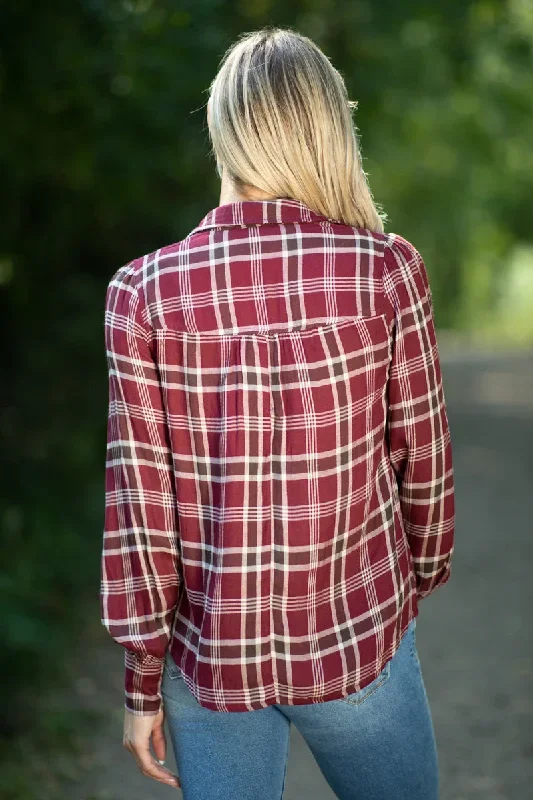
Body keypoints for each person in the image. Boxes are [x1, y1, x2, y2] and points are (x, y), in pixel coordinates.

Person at [100, 25, 455, 800]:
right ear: (327, 126)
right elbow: (423, 462)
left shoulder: (142, 294)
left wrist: (139, 683)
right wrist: (411, 580)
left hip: (211, 662)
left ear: (225, 130)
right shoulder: (385, 270)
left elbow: (141, 515)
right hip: (358, 638)